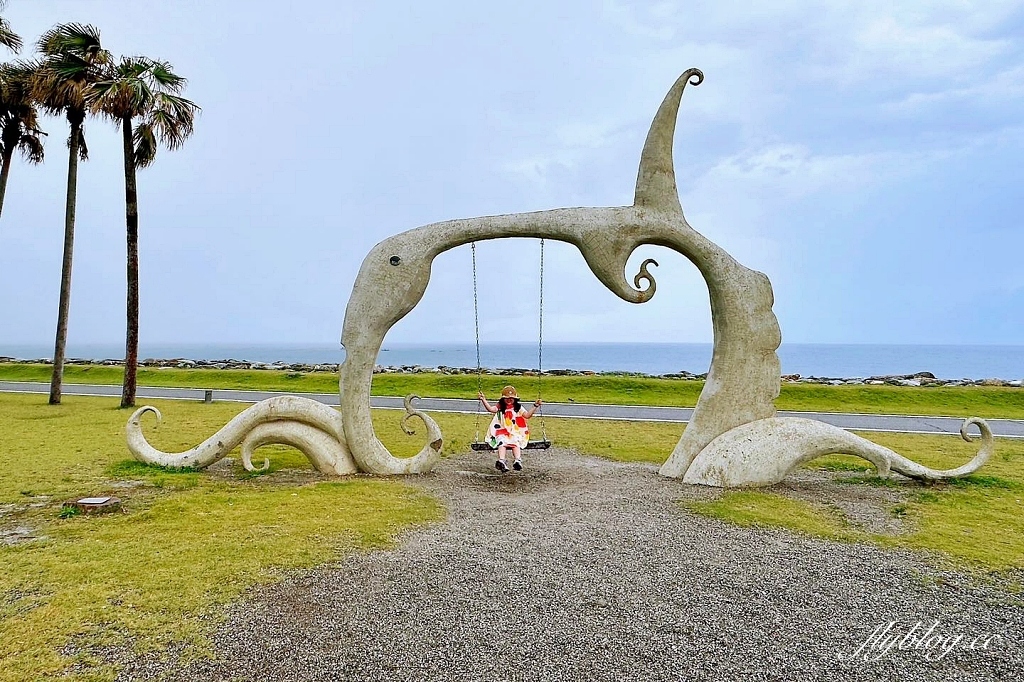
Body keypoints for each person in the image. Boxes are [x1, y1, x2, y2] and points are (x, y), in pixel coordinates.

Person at [477, 385, 542, 472]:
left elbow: (527, 415)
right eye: (507, 398)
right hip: (502, 431)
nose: (509, 400)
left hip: (514, 431)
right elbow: (491, 409)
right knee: (502, 441)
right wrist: (483, 400)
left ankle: (517, 460)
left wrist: (535, 406)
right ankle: (502, 461)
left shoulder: (518, 407)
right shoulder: (500, 406)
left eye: (511, 398)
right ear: (503, 399)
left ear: (515, 399)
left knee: (515, 441)